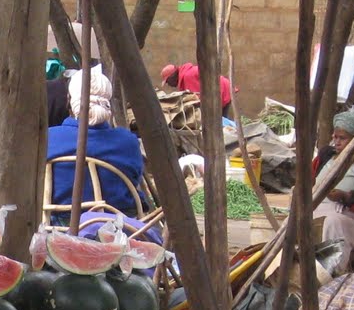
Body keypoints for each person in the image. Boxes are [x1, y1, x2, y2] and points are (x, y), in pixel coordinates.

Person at [45, 71, 149, 217]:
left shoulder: (49, 138)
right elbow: (134, 181)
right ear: (108, 102)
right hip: (118, 230)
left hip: (59, 229)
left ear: (68, 100)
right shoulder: (128, 142)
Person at [313, 108, 354, 277]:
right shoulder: (325, 157)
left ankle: (331, 274)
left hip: (348, 218)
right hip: (316, 209)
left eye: (343, 138)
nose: (337, 142)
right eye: (335, 137)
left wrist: (347, 197)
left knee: (332, 223)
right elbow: (307, 180)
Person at [161, 61, 233, 118]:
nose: (168, 84)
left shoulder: (187, 76)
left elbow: (198, 98)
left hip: (222, 90)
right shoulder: (186, 75)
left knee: (218, 122)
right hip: (220, 90)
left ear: (172, 77)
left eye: (168, 81)